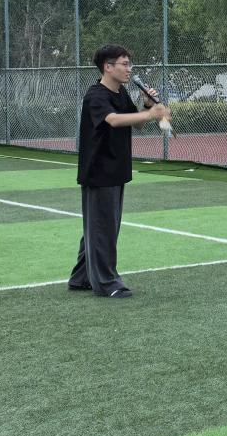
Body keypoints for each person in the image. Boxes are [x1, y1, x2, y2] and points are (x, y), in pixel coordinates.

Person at [68, 45, 170, 299]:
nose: (129, 69)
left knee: (101, 226)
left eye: (129, 64)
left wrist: (146, 105)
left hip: (116, 169)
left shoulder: (121, 92)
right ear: (108, 67)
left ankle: (81, 277)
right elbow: (113, 120)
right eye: (124, 64)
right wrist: (151, 113)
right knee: (103, 228)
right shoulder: (96, 95)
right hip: (99, 172)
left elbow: (135, 123)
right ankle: (106, 283)